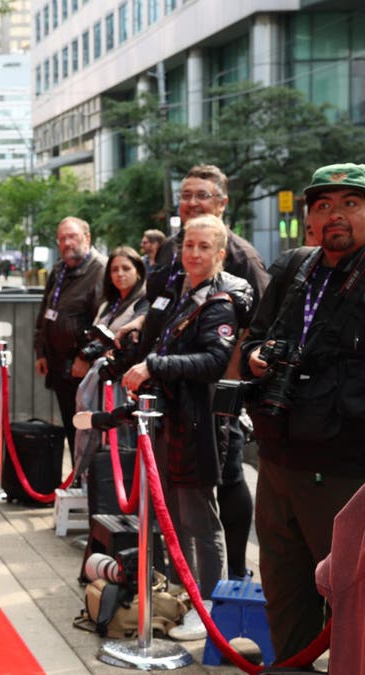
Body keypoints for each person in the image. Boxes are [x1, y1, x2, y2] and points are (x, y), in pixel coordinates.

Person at [119, 165, 268, 589]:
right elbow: (161, 324)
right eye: (185, 195)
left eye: (202, 196)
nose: (194, 253)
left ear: (222, 204)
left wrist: (156, 365)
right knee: (175, 511)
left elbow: (244, 338)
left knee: (211, 506)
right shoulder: (173, 273)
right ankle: (187, 593)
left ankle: (220, 592)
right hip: (171, 411)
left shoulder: (237, 270)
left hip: (212, 410)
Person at [241, 163, 365, 662]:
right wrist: (256, 357)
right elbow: (255, 335)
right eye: (323, 206)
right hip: (277, 462)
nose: (335, 215)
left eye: (350, 203)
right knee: (285, 596)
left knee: (351, 606)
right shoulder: (294, 267)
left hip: (347, 474)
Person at [72, 247, 148, 514]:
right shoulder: (108, 303)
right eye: (115, 269)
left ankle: (116, 499)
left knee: (118, 438)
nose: (120, 274)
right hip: (98, 379)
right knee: (88, 430)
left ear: (139, 271)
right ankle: (90, 486)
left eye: (126, 268)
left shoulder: (144, 304)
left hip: (122, 383)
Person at [35, 217, 106, 457]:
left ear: (87, 238)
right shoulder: (59, 269)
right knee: (70, 423)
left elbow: (106, 321)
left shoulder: (101, 270)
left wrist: (86, 356)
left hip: (85, 368)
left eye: (72, 237)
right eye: (62, 238)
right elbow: (45, 312)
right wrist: (41, 351)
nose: (66, 243)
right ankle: (76, 477)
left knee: (87, 427)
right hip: (58, 365)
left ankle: (88, 481)